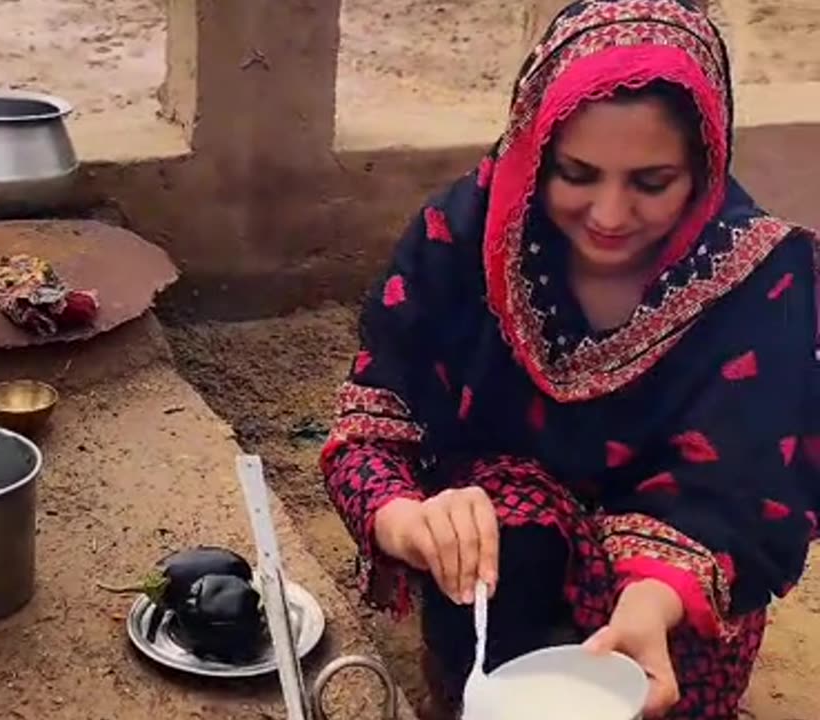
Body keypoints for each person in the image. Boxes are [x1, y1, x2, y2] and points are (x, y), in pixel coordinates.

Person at [320, 1, 819, 718]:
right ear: (533, 150)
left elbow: (750, 491)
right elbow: (372, 424)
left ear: (707, 162)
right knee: (502, 525)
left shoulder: (759, 279)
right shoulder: (463, 238)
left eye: (652, 183)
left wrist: (655, 600)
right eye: (575, 173)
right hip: (499, 569)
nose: (609, 216)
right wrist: (405, 519)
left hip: (665, 603)